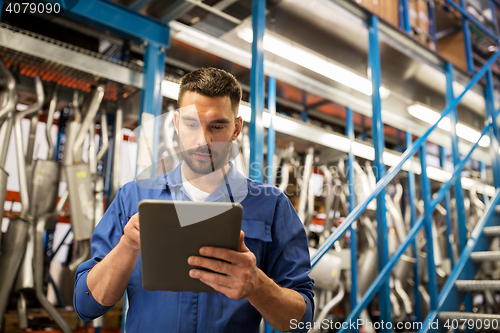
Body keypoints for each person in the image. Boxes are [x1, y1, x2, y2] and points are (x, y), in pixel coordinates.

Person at [73, 67, 314, 333]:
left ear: (236, 128)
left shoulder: (272, 207)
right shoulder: (132, 198)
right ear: (176, 124)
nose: (203, 140)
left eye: (217, 126)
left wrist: (257, 286)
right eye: (191, 124)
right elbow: (87, 306)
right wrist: (128, 247)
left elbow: (300, 322)